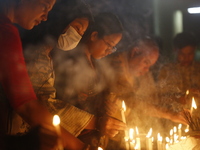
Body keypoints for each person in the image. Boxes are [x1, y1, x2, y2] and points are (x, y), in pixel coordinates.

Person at [0, 0, 91, 149]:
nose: (45, 17)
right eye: (45, 6)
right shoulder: (5, 32)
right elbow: (26, 104)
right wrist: (80, 146)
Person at [100, 36, 188, 149]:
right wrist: (170, 114)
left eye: (150, 66)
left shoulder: (133, 70)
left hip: (118, 133)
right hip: (104, 134)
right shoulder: (116, 64)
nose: (147, 70)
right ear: (135, 52)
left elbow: (148, 99)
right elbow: (133, 101)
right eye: (146, 62)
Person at [53, 12, 126, 148]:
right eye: (109, 44)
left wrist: (105, 105)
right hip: (69, 139)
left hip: (92, 139)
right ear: (94, 36)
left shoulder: (97, 63)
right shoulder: (69, 61)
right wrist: (97, 122)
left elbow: (99, 96)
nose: (110, 51)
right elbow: (57, 105)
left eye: (113, 47)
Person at [158, 32, 200, 108]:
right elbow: (159, 97)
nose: (186, 58)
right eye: (182, 54)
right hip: (173, 115)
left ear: (195, 50)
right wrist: (176, 99)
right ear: (175, 50)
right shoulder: (166, 70)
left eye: (190, 54)